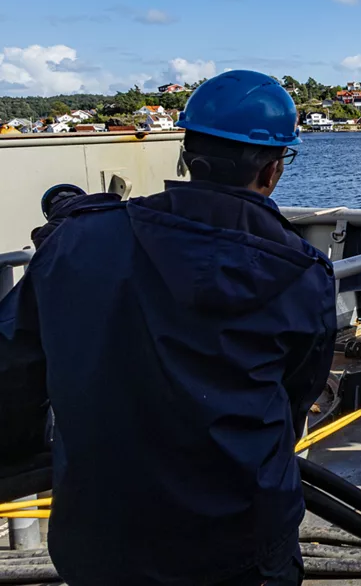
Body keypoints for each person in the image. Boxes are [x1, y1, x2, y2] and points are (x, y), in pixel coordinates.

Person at [0, 70, 337, 584]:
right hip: (238, 545)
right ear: (272, 171)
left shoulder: (76, 243)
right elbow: (292, 400)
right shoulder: (301, 275)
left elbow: (14, 375)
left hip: (102, 541)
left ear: (186, 152)